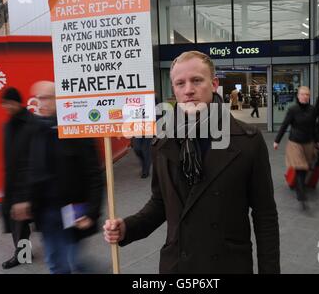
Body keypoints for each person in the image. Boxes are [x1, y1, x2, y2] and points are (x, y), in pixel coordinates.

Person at [104, 51, 280, 274]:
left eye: (197, 80)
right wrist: (127, 227)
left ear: (214, 83)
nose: (188, 90)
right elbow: (161, 203)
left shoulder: (248, 141)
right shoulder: (162, 141)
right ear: (174, 89)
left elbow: (265, 216)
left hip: (227, 265)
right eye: (180, 83)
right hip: (177, 265)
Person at [11, 81, 105, 274]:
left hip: (73, 208)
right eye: (37, 98)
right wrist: (22, 199)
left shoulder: (77, 128)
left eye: (45, 98)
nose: (40, 102)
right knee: (55, 262)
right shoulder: (35, 129)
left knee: (74, 261)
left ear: (58, 99)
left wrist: (92, 211)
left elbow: (94, 174)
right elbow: (27, 168)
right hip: (46, 212)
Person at [0, 87, 33, 269]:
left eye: (8, 103)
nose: (5, 107)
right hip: (15, 183)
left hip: (30, 183)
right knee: (18, 223)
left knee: (25, 220)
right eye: (3, 103)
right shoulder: (8, 126)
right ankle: (23, 254)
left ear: (16, 102)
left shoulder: (31, 124)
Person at [273, 86, 317, 210]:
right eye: (302, 94)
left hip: (308, 143)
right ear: (298, 96)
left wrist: (317, 142)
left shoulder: (313, 110)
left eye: (307, 94)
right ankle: (301, 194)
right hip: (295, 143)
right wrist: (277, 141)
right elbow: (285, 124)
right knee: (300, 168)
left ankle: (299, 187)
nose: (305, 96)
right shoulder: (293, 110)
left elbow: (314, 127)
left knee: (306, 167)